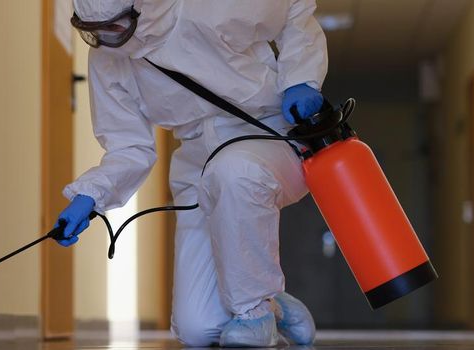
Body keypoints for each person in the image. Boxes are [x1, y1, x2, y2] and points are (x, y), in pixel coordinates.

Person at [59, 0, 327, 347]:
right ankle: (272, 303)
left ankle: (254, 312)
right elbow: (130, 148)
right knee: (198, 329)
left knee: (234, 172)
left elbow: (294, 7)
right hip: (196, 156)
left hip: (267, 134)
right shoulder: (107, 59)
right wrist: (90, 195)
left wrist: (301, 77)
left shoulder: (209, 6)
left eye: (114, 26)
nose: (105, 39)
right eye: (93, 32)